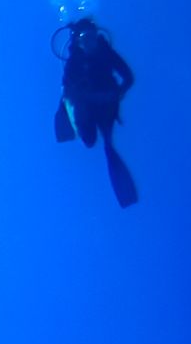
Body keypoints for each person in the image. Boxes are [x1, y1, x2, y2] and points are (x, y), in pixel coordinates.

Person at [53, 16, 138, 208]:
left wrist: (117, 94)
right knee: (89, 141)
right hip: (89, 107)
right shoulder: (75, 59)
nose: (89, 43)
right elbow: (66, 89)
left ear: (97, 37)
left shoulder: (106, 53)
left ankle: (125, 192)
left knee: (106, 143)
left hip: (106, 105)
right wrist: (71, 102)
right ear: (80, 41)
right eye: (85, 39)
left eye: (92, 38)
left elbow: (128, 77)